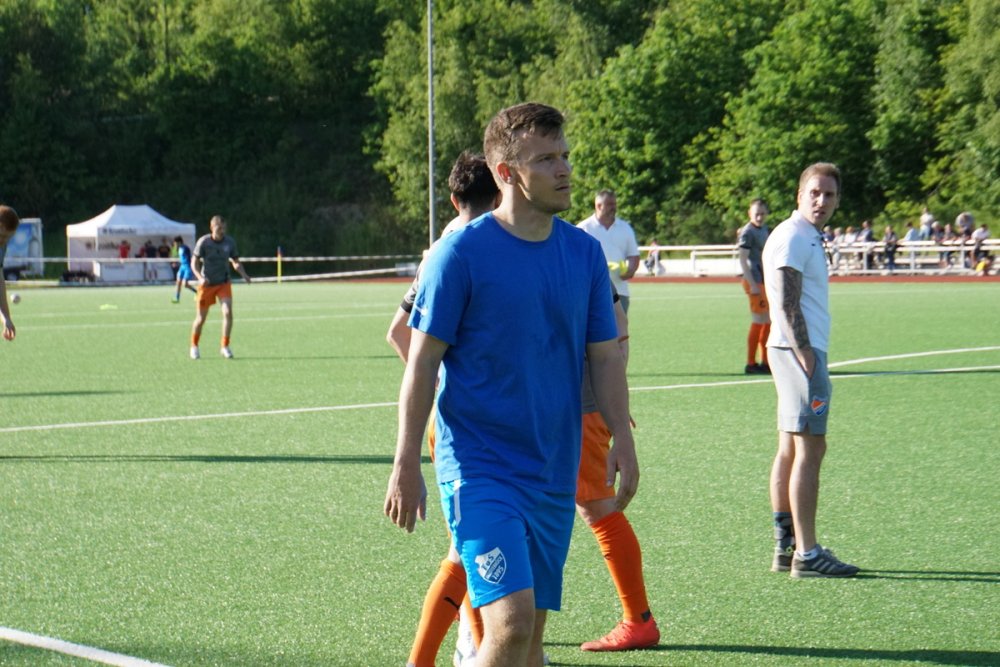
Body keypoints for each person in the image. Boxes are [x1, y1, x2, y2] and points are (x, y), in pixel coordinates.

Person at [384, 102, 638, 666]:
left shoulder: (584, 254)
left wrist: (622, 436)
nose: (563, 168)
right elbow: (420, 363)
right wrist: (406, 462)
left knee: (531, 642)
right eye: (545, 159)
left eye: (564, 155)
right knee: (511, 623)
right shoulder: (459, 255)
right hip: (479, 469)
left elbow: (605, 357)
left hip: (552, 467)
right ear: (505, 173)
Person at [386, 151, 500, 667]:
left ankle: (472, 641)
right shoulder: (466, 249)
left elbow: (397, 333)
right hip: (470, 426)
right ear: (502, 191)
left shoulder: (441, 248)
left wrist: (437, 379)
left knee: (473, 544)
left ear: (454, 199)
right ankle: (467, 644)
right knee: (469, 547)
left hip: (454, 417)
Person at [762, 162, 859, 578]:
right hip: (797, 351)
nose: (822, 201)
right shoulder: (794, 236)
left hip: (791, 349)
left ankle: (787, 547)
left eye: (829, 195)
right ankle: (807, 553)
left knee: (790, 447)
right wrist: (805, 353)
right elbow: (787, 301)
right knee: (811, 449)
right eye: (815, 193)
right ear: (799, 195)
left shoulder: (806, 235)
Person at [190, 215, 251, 360]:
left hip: (223, 283)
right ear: (212, 228)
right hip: (207, 284)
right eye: (219, 229)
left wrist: (244, 274)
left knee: (228, 312)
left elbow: (235, 261)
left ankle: (225, 346)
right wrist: (200, 278)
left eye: (224, 228)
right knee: (200, 319)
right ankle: (194, 346)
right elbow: (194, 262)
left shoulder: (229, 242)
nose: (222, 231)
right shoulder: (204, 242)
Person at [577, 190, 640, 312]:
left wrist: (630, 270)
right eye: (610, 204)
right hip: (591, 292)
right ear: (598, 206)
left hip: (620, 291)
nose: (614, 207)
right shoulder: (583, 228)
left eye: (614, 204)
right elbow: (574, 259)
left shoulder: (625, 228)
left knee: (620, 325)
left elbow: (633, 255)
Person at [737, 199, 771, 374]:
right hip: (754, 279)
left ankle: (766, 361)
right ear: (749, 213)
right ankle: (751, 363)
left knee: (768, 321)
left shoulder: (764, 229)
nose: (759, 217)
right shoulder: (748, 232)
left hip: (763, 279)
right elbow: (743, 259)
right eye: (756, 214)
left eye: (762, 214)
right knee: (759, 320)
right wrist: (752, 284)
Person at [0, 205, 22, 342]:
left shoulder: (1, 246)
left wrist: (6, 318)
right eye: (2, 236)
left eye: (8, 238)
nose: (4, 241)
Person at [171, 236, 197, 303]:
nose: (175, 245)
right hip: (182, 266)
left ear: (179, 242)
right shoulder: (179, 249)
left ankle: (197, 292)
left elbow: (189, 258)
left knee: (185, 284)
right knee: (178, 282)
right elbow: (181, 258)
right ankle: (177, 298)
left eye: (175, 243)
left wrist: (192, 267)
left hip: (187, 266)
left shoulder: (185, 248)